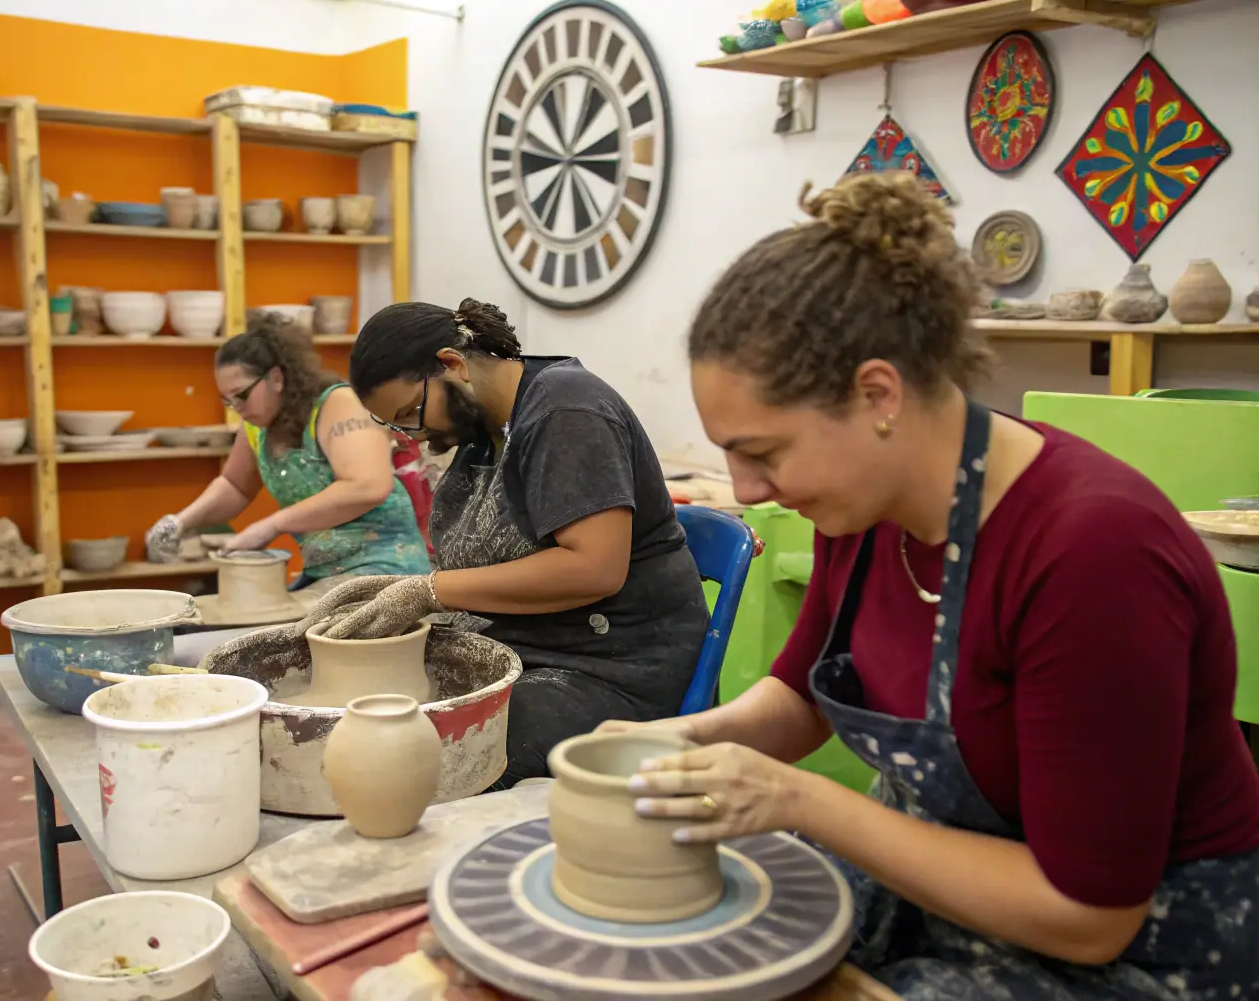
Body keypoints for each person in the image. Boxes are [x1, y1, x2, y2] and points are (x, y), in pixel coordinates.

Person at [602, 173, 1259, 999]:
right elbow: (803, 697)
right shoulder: (867, 505)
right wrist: (681, 744)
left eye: (763, 453)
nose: (747, 490)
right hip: (943, 888)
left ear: (877, 394)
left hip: (1144, 952)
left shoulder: (1090, 551)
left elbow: (1090, 916)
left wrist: (794, 799)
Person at [338, 297, 708, 786]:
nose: (413, 437)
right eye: (398, 426)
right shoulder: (484, 429)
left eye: (411, 414)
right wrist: (399, 590)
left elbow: (594, 568)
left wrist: (430, 592)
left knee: (432, 755)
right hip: (530, 648)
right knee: (377, 714)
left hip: (611, 667)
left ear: (452, 365)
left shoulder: (567, 412)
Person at [145, 318, 430, 584]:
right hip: (322, 574)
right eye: (227, 400)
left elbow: (368, 486)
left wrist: (271, 525)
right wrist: (179, 522)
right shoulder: (257, 425)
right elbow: (235, 486)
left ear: (276, 378)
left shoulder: (338, 404)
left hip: (387, 569)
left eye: (242, 394)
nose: (237, 408)